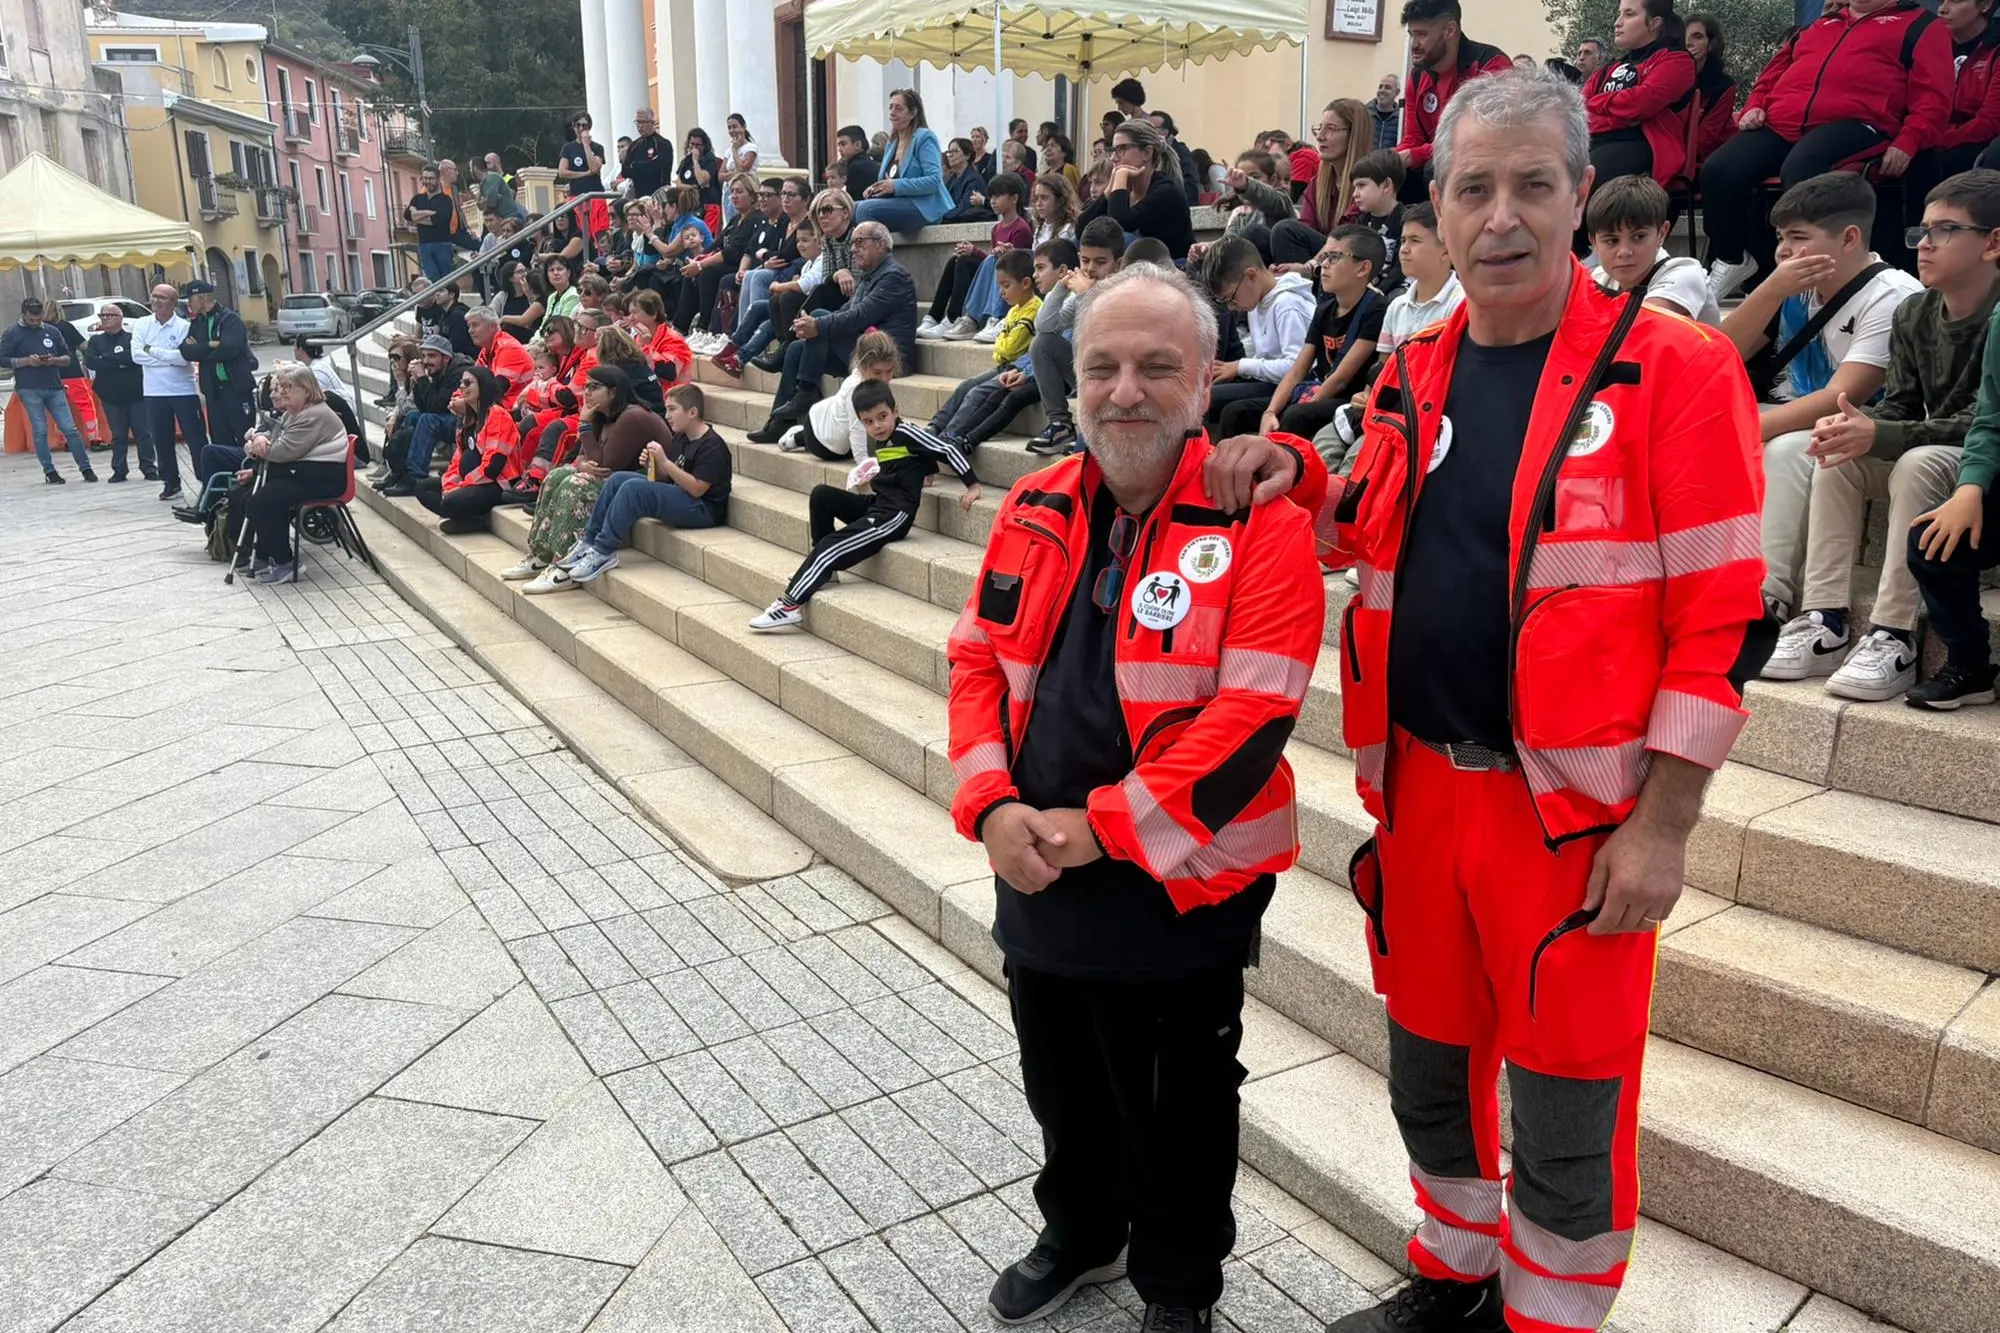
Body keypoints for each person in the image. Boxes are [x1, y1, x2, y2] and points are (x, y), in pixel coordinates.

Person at [1206, 68, 1769, 1333]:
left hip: (1569, 821)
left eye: (1530, 185)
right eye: (1473, 189)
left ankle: (1547, 1317)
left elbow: (1722, 622)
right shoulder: (1413, 366)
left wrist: (1663, 826)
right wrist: (1298, 470)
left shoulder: (1671, 371)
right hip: (1417, 796)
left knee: (1567, 1101)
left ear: (1580, 197)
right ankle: (1453, 1271)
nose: (1500, 215)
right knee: (1429, 1073)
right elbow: (1379, 522)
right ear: (1439, 213)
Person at [942, 261, 1322, 1333]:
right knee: (1057, 1073)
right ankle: (1081, 1230)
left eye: (1158, 367)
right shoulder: (1028, 504)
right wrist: (989, 806)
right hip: (1037, 856)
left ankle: (1176, 1284)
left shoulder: (1259, 521)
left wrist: (1098, 828)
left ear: (1205, 383)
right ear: (1070, 387)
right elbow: (975, 662)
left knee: (1181, 1101)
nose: (1125, 391)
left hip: (1183, 876)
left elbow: (1251, 719)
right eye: (1102, 367)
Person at [1757, 169, 2000, 703]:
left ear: (1992, 244)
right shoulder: (1916, 312)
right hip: (1939, 446)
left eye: (1944, 231)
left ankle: (1894, 633)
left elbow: (1982, 420)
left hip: (1985, 465)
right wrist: (1860, 428)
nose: (1924, 244)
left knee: (1915, 462)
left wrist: (1883, 431)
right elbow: (1904, 404)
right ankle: (1823, 619)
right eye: (1922, 230)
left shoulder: (1988, 315)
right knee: (1837, 450)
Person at [1721, 172, 1924, 617]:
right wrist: (1771, 289)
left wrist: (1745, 429)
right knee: (1688, 425)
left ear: (1849, 237)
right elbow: (1715, 356)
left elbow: (1842, 396)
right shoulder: (1793, 286)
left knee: (1790, 447)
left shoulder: (1891, 296)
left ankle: (1765, 595)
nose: (1784, 252)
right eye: (1780, 238)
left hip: (1863, 421)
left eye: (1798, 238)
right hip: (1793, 405)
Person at [1701, 0, 1951, 303]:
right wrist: (1755, 104)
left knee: (1802, 168)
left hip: (1860, 121)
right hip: (1784, 121)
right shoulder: (1820, 24)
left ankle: (1812, 270)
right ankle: (1732, 258)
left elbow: (1934, 96)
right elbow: (1773, 71)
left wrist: (1909, 140)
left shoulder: (1920, 24)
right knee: (1720, 170)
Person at [748, 379, 980, 630]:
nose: (877, 426)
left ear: (896, 411)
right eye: (868, 422)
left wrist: (973, 485)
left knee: (830, 546)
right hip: (878, 503)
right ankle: (827, 572)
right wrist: (922, 471)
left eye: (882, 417)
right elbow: (911, 457)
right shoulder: (886, 437)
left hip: (893, 516)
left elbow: (945, 448)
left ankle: (789, 606)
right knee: (821, 495)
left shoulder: (905, 431)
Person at [552, 382, 735, 587]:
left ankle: (604, 551)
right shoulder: (682, 437)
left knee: (632, 489)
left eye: (673, 409)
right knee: (618, 479)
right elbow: (668, 479)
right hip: (684, 496)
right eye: (666, 409)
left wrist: (664, 461)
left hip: (705, 509)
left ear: (693, 412)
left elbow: (697, 488)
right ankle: (588, 542)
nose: (667, 415)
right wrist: (653, 465)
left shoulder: (712, 445)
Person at [751, 220, 917, 440]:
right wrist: (809, 324)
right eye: (852, 243)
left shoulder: (894, 276)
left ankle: (806, 391)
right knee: (798, 348)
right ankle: (779, 422)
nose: (852, 248)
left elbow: (859, 317)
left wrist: (817, 324)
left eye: (859, 242)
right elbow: (845, 310)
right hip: (864, 349)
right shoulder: (869, 275)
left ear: (881, 245)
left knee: (820, 318)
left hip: (887, 358)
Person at [502, 364, 659, 584]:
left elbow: (604, 464)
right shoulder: (600, 415)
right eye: (586, 386)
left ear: (613, 391)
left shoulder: (632, 416)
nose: (587, 392)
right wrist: (582, 462)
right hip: (614, 478)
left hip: (642, 483)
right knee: (556, 476)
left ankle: (562, 563)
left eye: (594, 387)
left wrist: (584, 424)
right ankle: (541, 554)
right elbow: (581, 457)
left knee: (575, 484)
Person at [1260, 226, 1389, 447]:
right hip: (1316, 390)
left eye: (1335, 257)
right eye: (1324, 256)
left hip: (1347, 400)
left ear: (1363, 268)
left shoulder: (1376, 309)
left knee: (1295, 416)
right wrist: (1270, 412)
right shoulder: (1323, 310)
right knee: (1238, 411)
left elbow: (1340, 380)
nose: (1324, 264)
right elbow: (1297, 371)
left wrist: (1303, 406)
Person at [233, 362, 351, 585]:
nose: (282, 392)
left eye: (288, 387)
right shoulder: (295, 412)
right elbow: (269, 435)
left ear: (306, 390)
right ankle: (264, 555)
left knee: (261, 502)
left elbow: (281, 451)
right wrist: (257, 440)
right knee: (251, 496)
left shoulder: (313, 415)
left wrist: (256, 445)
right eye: (282, 386)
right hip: (305, 471)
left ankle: (285, 562)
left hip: (323, 477)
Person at [1396, 0, 1513, 202]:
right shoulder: (1417, 77)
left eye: (1422, 34)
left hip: (1484, 167)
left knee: (1433, 170)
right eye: (1411, 34)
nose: (1414, 44)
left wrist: (1414, 155)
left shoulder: (1491, 66)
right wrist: (1390, 160)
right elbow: (1412, 138)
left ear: (1450, 30)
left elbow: (1482, 137)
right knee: (1384, 174)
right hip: (1436, 166)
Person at [1026, 217, 1125, 455]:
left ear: (1118, 263)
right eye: (1085, 260)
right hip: (1084, 374)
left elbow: (1103, 336)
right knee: (1042, 344)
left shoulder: (1123, 289)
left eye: (1100, 262)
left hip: (1115, 377)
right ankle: (1059, 424)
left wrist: (1085, 295)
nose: (1090, 268)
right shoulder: (1083, 284)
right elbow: (1045, 326)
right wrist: (1061, 288)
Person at [1203, 236, 1317, 437]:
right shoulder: (1257, 300)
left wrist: (1241, 366)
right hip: (1270, 381)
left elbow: (1298, 368)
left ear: (1251, 275)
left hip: (1296, 386)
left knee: (1216, 401)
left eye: (1231, 298)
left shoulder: (1288, 304)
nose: (1231, 307)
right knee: (1206, 390)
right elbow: (1265, 356)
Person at [927, 249, 1042, 446]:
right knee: (966, 385)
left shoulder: (1034, 309)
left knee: (976, 393)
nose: (1001, 292)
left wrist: (1001, 343)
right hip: (1004, 366)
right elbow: (1002, 343)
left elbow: (1008, 348)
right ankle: (936, 426)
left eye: (1006, 286)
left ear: (1025, 283)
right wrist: (1002, 343)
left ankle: (950, 434)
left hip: (1018, 369)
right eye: (999, 286)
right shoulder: (1014, 310)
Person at [1584, 0, 1697, 190]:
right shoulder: (1609, 69)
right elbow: (1579, 107)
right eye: (1620, 14)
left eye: (1629, 14)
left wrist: (1599, 104)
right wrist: (1621, 116)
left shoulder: (1677, 61)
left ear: (1654, 23)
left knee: (1580, 183)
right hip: (1594, 140)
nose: (1617, 22)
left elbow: (1642, 103)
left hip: (1642, 146)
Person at [1587, 174, 1721, 324]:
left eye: (1638, 237)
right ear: (1594, 242)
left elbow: (1640, 326)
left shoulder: (1685, 274)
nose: (1624, 251)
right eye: (1612, 241)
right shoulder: (1599, 277)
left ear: (1661, 233)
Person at [412, 364, 521, 534]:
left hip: (498, 484)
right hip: (472, 482)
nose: (462, 386)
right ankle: (468, 519)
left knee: (450, 501)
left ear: (483, 386)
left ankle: (460, 515)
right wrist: (450, 484)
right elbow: (457, 460)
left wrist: (462, 486)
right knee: (421, 487)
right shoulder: (468, 420)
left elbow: (492, 466)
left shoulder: (498, 415)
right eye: (461, 383)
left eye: (468, 383)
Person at [925, 172, 1032, 341]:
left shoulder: (1021, 228)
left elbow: (1020, 262)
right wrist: (975, 251)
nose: (993, 201)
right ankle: (948, 317)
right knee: (959, 260)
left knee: (990, 260)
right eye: (991, 196)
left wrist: (986, 252)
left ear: (1014, 198)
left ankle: (993, 317)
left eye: (998, 196)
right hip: (996, 270)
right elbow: (990, 260)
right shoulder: (996, 228)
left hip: (1010, 276)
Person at [1, 297, 95, 483]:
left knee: (70, 429)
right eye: (31, 320)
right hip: (29, 387)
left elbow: (68, 356)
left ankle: (86, 468)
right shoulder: (12, 333)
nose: (36, 323)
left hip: (54, 385)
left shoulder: (52, 331)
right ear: (24, 315)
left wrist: (55, 360)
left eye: (39, 319)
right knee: (40, 429)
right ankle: (49, 470)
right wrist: (25, 361)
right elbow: (2, 358)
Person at [1271, 100, 1371, 267]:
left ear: (1354, 135)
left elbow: (1345, 239)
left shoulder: (1367, 182)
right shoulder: (1318, 182)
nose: (1319, 136)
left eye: (1330, 129)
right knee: (1256, 233)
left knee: (1285, 230)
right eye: (1319, 128)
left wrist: (1308, 267)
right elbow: (1306, 227)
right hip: (1319, 260)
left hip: (1347, 259)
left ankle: (1297, 290)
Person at [1077, 117, 1193, 260]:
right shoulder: (1124, 192)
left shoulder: (1166, 190)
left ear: (1147, 153)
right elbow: (1081, 231)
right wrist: (1107, 193)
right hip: (1139, 271)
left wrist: (1119, 178)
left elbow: (1119, 229)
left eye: (1121, 149)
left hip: (1173, 270)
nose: (1113, 158)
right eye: (1112, 150)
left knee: (1125, 240)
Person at [132, 282, 206, 501]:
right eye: (154, 296)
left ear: (173, 303)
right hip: (154, 392)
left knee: (196, 438)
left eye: (162, 297)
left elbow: (184, 357)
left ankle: (205, 479)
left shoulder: (184, 326)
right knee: (162, 439)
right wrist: (169, 356)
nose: (156, 300)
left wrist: (152, 351)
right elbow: (136, 355)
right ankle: (170, 482)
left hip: (183, 390)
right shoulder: (142, 324)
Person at [780, 329, 900, 457]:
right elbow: (856, 430)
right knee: (815, 440)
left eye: (889, 371)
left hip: (831, 417)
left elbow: (891, 412)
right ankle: (795, 438)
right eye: (878, 373)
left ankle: (801, 432)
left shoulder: (873, 380)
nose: (885, 378)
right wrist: (864, 465)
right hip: (823, 441)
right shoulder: (855, 388)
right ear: (862, 366)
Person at [380, 336, 472, 496]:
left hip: (464, 420)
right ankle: (399, 471)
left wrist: (422, 378)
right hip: (447, 414)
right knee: (413, 416)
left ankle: (415, 476)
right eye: (424, 356)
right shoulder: (439, 369)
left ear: (446, 358)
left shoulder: (458, 372)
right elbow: (424, 406)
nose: (426, 361)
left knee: (427, 420)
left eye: (432, 356)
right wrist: (416, 383)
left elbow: (435, 406)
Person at [854, 89, 951, 233]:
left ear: (913, 113)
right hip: (898, 203)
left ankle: (875, 254)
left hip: (922, 206)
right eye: (891, 107)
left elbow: (934, 181)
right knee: (848, 209)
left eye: (898, 108)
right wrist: (876, 189)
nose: (892, 112)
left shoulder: (924, 137)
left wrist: (895, 186)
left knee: (865, 209)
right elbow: (890, 180)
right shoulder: (891, 143)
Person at [178, 280, 257, 455]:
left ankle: (247, 476)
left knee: (243, 436)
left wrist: (201, 349)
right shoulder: (197, 322)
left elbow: (229, 349)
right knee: (220, 439)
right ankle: (227, 478)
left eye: (190, 300)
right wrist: (211, 345)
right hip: (214, 391)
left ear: (202, 298)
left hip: (235, 388)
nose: (189, 305)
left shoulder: (229, 319)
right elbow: (186, 351)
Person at [83, 301, 154, 484]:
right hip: (110, 395)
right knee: (118, 435)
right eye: (102, 316)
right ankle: (119, 469)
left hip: (135, 393)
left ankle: (149, 467)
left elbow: (134, 357)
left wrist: (107, 358)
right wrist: (118, 363)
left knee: (143, 433)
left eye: (109, 315)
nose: (105, 319)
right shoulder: (96, 340)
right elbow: (91, 361)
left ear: (120, 318)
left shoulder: (131, 338)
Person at [1685, 12, 1740, 164]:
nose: (1688, 43)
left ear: (1711, 45)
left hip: (1714, 156)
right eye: (1685, 37)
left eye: (1697, 37)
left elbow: (1707, 137)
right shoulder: (1671, 78)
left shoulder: (1724, 85)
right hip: (1678, 151)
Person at [1350, 150, 1409, 292]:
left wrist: (1379, 291)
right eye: (1354, 187)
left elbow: (1400, 268)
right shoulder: (1361, 222)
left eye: (1362, 185)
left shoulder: (1406, 221)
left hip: (1394, 291)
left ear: (1386, 186)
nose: (1355, 194)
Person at [468, 306, 533, 409]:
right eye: (469, 326)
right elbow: (470, 379)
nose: (470, 330)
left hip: (516, 409)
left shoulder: (509, 348)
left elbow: (497, 389)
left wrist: (466, 401)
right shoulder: (486, 349)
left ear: (492, 327)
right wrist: (457, 398)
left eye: (475, 325)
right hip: (500, 407)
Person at [407, 164, 461, 282]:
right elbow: (407, 215)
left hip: (442, 245)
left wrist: (417, 215)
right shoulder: (417, 198)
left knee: (446, 280)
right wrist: (427, 212)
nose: (427, 181)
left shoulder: (445, 200)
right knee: (431, 280)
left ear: (437, 179)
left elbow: (438, 220)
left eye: (430, 178)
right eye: (425, 178)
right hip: (424, 245)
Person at [677, 127, 723, 226]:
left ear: (704, 146)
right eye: (692, 144)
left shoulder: (710, 160)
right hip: (689, 205)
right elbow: (678, 182)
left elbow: (702, 180)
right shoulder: (686, 161)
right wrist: (690, 188)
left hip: (707, 204)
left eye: (698, 145)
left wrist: (695, 161)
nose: (694, 148)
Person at [418, 282, 475, 359]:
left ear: (451, 295)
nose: (437, 294)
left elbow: (457, 347)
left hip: (464, 359)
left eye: (441, 291)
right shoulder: (445, 314)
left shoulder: (458, 315)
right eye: (436, 291)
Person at [623, 109, 672, 199]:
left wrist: (636, 166)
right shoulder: (634, 145)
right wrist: (641, 167)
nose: (640, 126)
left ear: (652, 123)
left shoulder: (662, 144)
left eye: (643, 122)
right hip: (638, 196)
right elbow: (625, 170)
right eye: (637, 122)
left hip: (658, 195)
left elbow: (657, 166)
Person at [720, 114, 760, 220]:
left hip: (745, 189)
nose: (732, 130)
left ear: (743, 127)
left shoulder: (750, 148)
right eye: (729, 128)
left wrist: (735, 150)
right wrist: (736, 174)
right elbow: (720, 175)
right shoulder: (728, 150)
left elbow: (743, 169)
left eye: (735, 126)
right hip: (729, 190)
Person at [478, 152, 528, 227]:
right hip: (492, 217)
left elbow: (509, 196)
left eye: (488, 163)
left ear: (496, 163)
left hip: (507, 216)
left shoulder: (508, 178)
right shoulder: (485, 182)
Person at [835, 124, 880, 195]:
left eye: (843, 144)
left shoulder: (855, 167)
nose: (840, 149)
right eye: (839, 145)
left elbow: (853, 200)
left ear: (857, 145)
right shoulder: (869, 162)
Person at [1369, 75, 1404, 150]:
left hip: (1389, 161)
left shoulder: (1401, 120)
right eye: (1380, 87)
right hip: (1367, 161)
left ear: (1397, 92)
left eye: (1387, 87)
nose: (1382, 90)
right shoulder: (1366, 115)